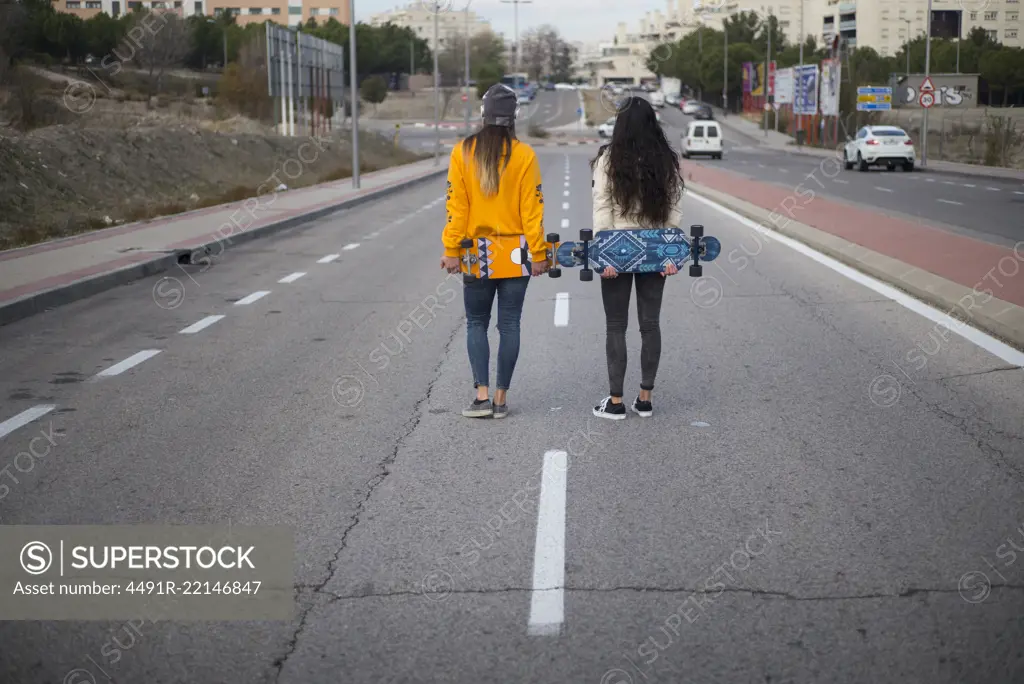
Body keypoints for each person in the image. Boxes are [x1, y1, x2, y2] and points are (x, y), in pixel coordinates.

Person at [440, 84, 549, 419]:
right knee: (510, 324)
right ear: (514, 116)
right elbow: (532, 209)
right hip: (516, 252)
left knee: (476, 322)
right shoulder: (524, 155)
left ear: (483, 114)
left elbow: (456, 206)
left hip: (475, 252)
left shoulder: (463, 152)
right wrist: (540, 252)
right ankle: (502, 399)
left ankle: (481, 397)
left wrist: (451, 248)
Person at [590, 96, 684, 420]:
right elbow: (673, 208)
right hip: (657, 249)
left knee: (616, 325)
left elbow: (603, 207)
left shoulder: (608, 160)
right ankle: (645, 398)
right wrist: (671, 248)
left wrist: (606, 254)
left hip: (616, 245)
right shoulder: (666, 161)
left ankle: (615, 402)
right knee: (650, 325)